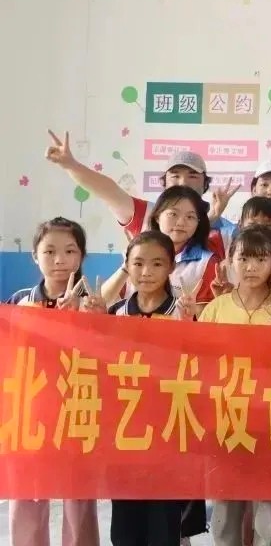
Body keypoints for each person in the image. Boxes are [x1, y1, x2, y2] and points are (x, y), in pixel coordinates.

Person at [82, 231, 197, 546]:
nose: (146, 272)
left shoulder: (183, 313)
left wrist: (191, 326)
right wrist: (96, 325)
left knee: (164, 523)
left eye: (157, 263)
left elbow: (199, 368)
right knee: (125, 526)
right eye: (138, 263)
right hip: (124, 434)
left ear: (171, 266)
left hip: (168, 432)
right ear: (127, 266)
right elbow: (96, 365)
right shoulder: (115, 313)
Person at [199, 226, 271, 546]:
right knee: (224, 513)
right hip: (225, 421)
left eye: (261, 259)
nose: (251, 267)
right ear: (230, 260)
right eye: (243, 258)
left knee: (268, 514)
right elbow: (199, 365)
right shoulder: (215, 309)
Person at [6, 217, 100, 546]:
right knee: (28, 493)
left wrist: (87, 320)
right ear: (35, 256)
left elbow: (107, 356)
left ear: (82, 255)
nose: (60, 260)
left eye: (70, 251)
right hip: (31, 411)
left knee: (78, 497)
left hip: (78, 408)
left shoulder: (95, 303)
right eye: (49, 251)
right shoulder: (18, 301)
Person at [45, 130, 238, 254]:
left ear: (205, 184)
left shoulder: (226, 229)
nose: (183, 182)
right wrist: (71, 165)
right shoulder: (147, 213)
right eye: (175, 176)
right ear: (164, 182)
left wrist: (213, 216)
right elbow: (108, 190)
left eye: (193, 176)